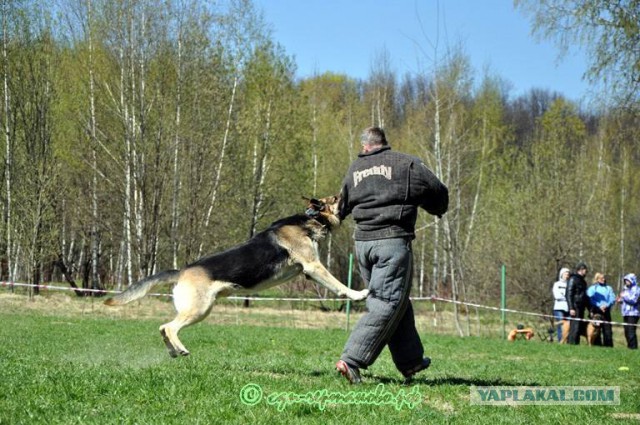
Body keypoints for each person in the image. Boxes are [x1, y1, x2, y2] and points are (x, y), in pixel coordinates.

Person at [335, 127, 449, 384]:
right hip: (392, 243)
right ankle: (351, 359)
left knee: (395, 299)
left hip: (363, 244)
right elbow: (437, 190)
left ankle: (411, 362)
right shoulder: (406, 163)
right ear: (384, 143)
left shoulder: (354, 169)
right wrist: (437, 208)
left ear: (365, 146)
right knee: (387, 301)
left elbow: (341, 205)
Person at [586, 272, 616, 347]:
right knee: (595, 330)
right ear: (597, 279)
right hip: (596, 311)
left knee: (607, 330)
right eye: (601, 278)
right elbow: (590, 298)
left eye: (604, 278)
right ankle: (596, 345)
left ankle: (608, 346)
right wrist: (599, 306)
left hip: (606, 311)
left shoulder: (609, 288)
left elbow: (612, 298)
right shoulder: (593, 288)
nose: (603, 279)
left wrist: (607, 305)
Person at [566, 262, 589, 345]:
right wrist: (571, 308)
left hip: (581, 307)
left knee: (578, 327)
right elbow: (569, 294)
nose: (586, 272)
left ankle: (576, 343)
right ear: (581, 270)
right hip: (575, 307)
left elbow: (584, 296)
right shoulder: (573, 279)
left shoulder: (583, 282)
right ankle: (571, 344)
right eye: (585, 270)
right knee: (574, 327)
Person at [617, 273, 639, 349]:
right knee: (626, 331)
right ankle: (629, 347)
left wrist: (624, 296)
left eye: (628, 280)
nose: (626, 282)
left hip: (633, 313)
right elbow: (625, 299)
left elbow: (633, 300)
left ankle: (633, 348)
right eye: (625, 280)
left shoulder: (637, 289)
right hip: (625, 313)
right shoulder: (625, 289)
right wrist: (620, 300)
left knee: (631, 331)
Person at [552, 268, 570, 343]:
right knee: (560, 325)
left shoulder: (569, 284)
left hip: (568, 308)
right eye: (566, 273)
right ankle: (560, 341)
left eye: (568, 274)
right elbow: (557, 295)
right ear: (562, 274)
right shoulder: (557, 284)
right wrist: (565, 297)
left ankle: (567, 342)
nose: (567, 275)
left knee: (569, 326)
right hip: (559, 307)